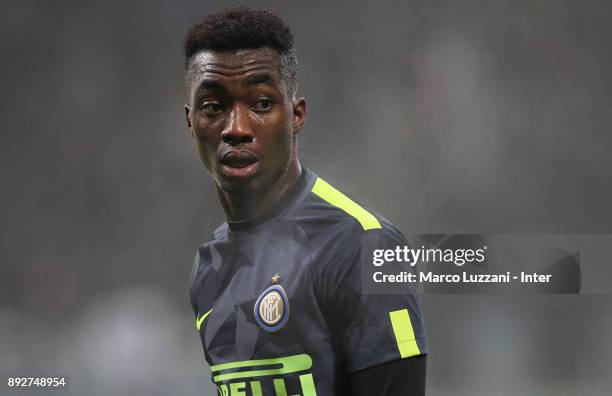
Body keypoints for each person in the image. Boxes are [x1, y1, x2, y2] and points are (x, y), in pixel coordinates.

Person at [184, 6, 427, 396]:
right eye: (214, 107)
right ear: (190, 121)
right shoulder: (206, 269)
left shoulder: (363, 245)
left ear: (296, 115)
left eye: (261, 104)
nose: (237, 128)